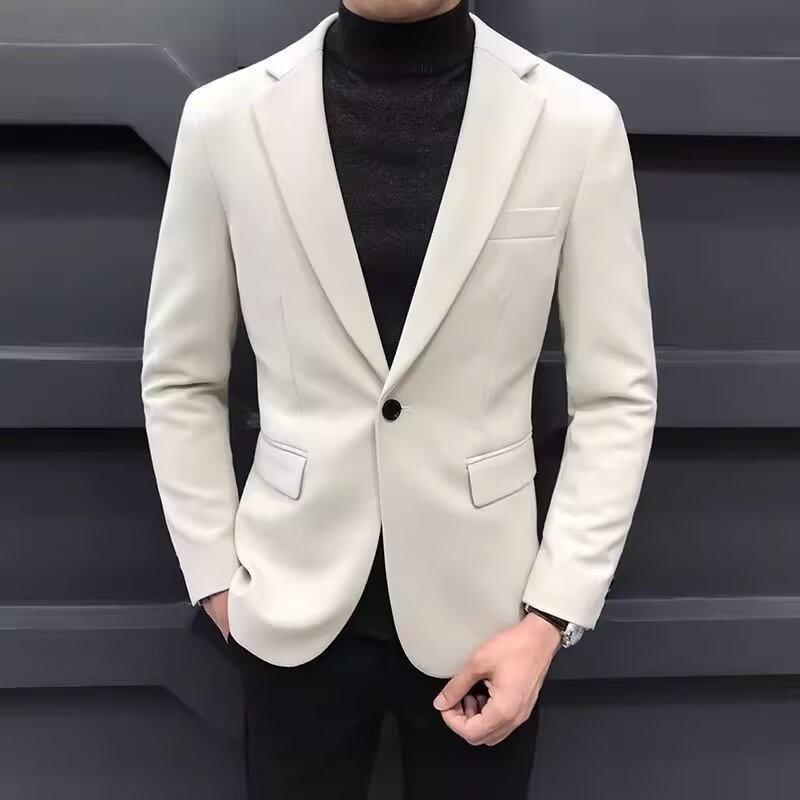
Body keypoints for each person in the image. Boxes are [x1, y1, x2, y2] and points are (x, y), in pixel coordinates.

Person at [140, 1, 657, 798]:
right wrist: (215, 581)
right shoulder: (225, 121)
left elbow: (618, 395)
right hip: (288, 607)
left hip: (488, 620)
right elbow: (180, 375)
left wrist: (550, 619)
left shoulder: (574, 124)